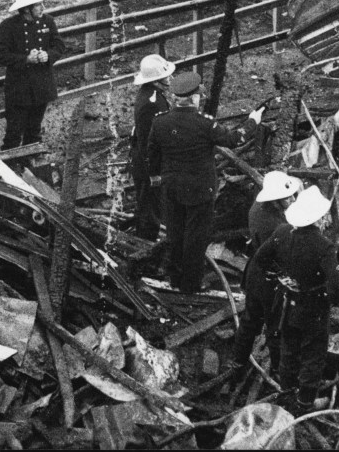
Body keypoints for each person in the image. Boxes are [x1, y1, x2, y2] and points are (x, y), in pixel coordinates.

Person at [238, 186, 339, 416]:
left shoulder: (282, 232)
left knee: (289, 349)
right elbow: (336, 281)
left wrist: (280, 277)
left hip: (287, 304)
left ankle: (286, 395)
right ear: (319, 217)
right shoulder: (324, 246)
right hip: (313, 308)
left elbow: (261, 258)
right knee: (313, 355)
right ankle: (305, 403)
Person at [146, 71, 265, 293]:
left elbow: (152, 154)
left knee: (174, 233)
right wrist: (252, 121)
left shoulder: (160, 122)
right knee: (196, 238)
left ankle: (174, 278)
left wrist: (158, 178)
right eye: (199, 95)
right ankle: (191, 285)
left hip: (172, 187)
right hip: (201, 190)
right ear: (193, 98)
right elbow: (234, 139)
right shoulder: (204, 124)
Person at [232, 171, 304, 381]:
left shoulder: (257, 208)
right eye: (288, 197)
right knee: (276, 328)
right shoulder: (278, 227)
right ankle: (278, 373)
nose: (292, 199)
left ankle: (237, 363)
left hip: (255, 272)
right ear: (275, 200)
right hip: (272, 282)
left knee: (249, 321)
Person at [0, 0, 66, 150]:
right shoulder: (9, 26)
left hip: (41, 85)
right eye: (38, 5)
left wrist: (48, 55)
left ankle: (30, 167)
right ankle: (9, 171)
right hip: (19, 88)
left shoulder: (48, 21)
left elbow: (59, 46)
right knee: (13, 134)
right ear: (26, 8)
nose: (43, 8)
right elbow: (1, 55)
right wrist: (25, 59)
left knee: (34, 132)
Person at [128, 54, 176, 241]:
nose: (170, 79)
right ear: (156, 81)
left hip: (148, 163)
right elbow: (148, 143)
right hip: (148, 165)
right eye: (166, 76)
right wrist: (154, 172)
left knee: (148, 205)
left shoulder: (153, 96)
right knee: (151, 209)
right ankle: (144, 247)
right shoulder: (151, 103)